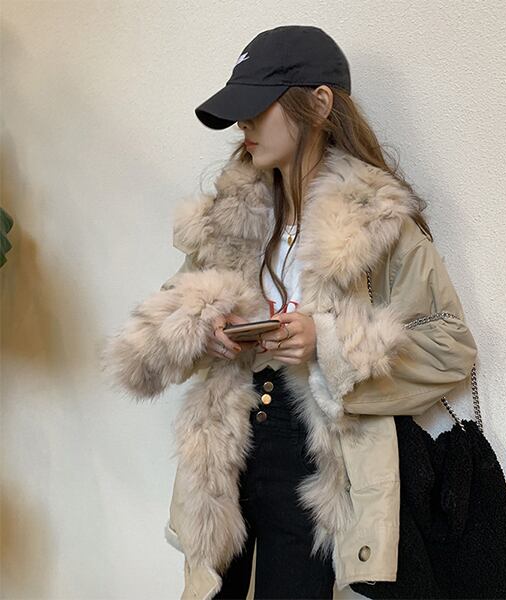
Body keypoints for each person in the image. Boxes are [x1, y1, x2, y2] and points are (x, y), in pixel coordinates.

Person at [101, 25, 478, 600]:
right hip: (225, 446)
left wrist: (327, 344)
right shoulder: (231, 218)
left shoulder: (378, 224)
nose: (243, 125)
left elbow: (451, 347)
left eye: (257, 107)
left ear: (319, 104)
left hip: (316, 457)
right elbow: (146, 344)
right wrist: (205, 329)